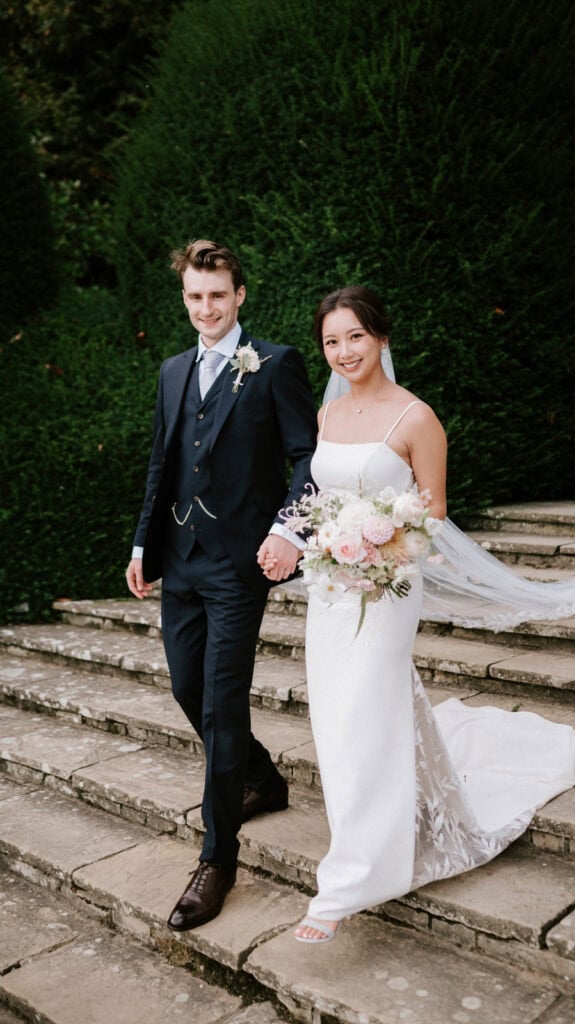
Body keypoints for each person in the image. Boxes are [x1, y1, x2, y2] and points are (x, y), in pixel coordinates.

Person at [293, 286, 575, 943]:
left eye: (355, 338)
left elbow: (430, 514)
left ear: (381, 339)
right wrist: (327, 546)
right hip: (332, 588)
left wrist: (377, 546)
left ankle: (350, 879)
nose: (343, 352)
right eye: (331, 341)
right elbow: (321, 495)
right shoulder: (326, 415)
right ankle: (373, 823)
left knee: (367, 706)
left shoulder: (416, 419)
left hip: (389, 585)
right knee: (336, 715)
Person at [125, 239, 317, 931]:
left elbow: (306, 456)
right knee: (185, 686)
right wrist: (145, 541)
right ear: (185, 299)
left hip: (241, 562)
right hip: (180, 557)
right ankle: (260, 778)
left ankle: (217, 857)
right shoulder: (173, 369)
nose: (205, 308)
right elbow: (164, 459)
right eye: (193, 297)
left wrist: (288, 531)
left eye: (216, 295)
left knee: (219, 703)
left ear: (239, 296)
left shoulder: (275, 364)